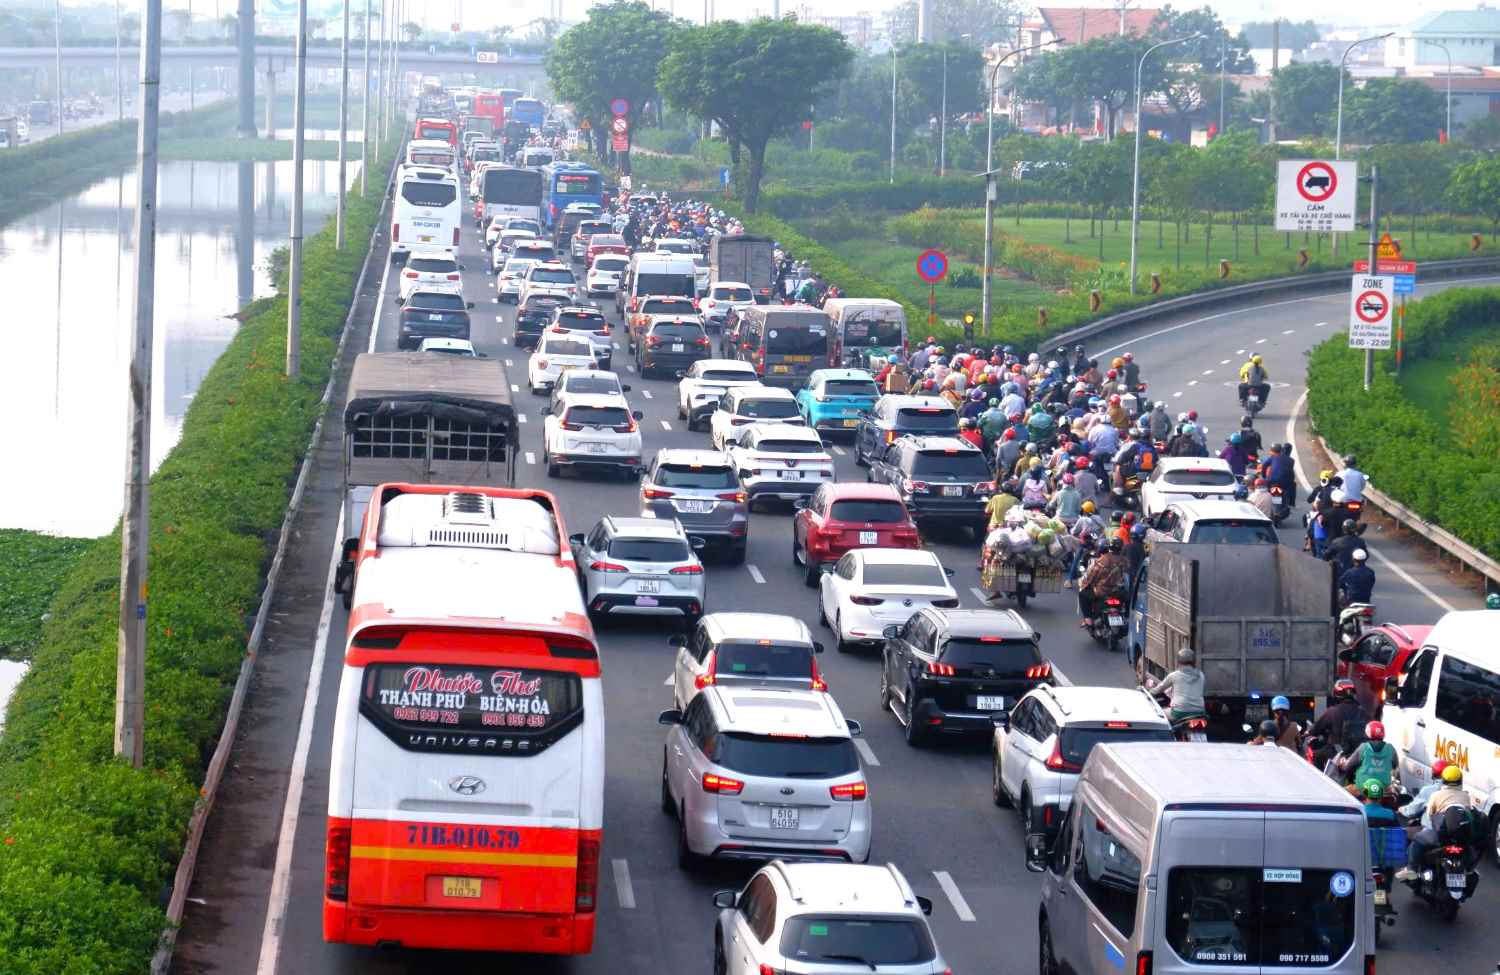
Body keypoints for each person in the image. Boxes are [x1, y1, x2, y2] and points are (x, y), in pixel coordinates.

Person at [1395, 765, 1473, 882]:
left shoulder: (1436, 795)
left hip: (1441, 835)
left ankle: (1412, 869)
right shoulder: (1465, 795)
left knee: (1417, 840)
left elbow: (1429, 814)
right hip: (1461, 837)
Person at [1307, 678, 1369, 766]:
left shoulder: (1333, 711)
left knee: (1315, 754)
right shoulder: (1363, 712)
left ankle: (1319, 778)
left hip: (1336, 752)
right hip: (1358, 754)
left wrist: (1309, 732)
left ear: (1337, 693)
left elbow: (1316, 729)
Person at [1076, 536, 1128, 626]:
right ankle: (1126, 616)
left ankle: (1088, 618)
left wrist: (1085, 584)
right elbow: (1128, 576)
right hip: (1119, 592)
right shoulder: (1125, 560)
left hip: (1102, 591)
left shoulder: (1103, 560)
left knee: (1082, 594)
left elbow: (1093, 575)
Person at [1338, 720, 1396, 791]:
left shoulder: (1364, 747)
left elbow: (1346, 766)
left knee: (1343, 792)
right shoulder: (1390, 749)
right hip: (1384, 788)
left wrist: (1342, 763)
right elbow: (1395, 766)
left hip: (1363, 788)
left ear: (1368, 733)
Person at [1156, 648, 1207, 722]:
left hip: (1179, 713)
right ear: (1194, 661)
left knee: (1159, 713)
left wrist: (1150, 692)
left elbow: (1160, 688)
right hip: (1199, 712)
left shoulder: (1174, 675)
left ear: (1179, 662)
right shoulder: (1201, 675)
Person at [1399, 760, 1452, 829]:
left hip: (1431, 831)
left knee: (1406, 832)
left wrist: (1402, 809)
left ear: (1434, 773)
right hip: (1451, 831)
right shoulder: (1460, 793)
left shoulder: (1428, 790)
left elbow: (1412, 811)